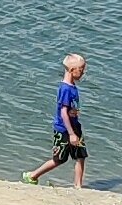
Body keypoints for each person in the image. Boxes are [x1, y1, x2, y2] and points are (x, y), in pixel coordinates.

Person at [27, 51, 89, 187]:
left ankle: (78, 186)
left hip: (75, 127)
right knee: (59, 159)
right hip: (64, 130)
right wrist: (71, 134)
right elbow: (63, 113)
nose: (83, 73)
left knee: (80, 156)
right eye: (81, 70)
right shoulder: (65, 89)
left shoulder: (72, 87)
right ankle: (33, 175)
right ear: (72, 70)